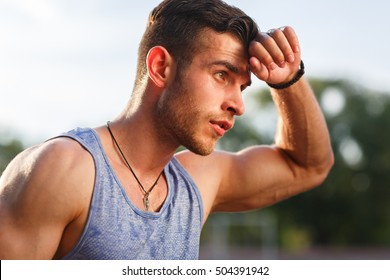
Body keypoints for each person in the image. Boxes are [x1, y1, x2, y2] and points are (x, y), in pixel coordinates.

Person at [0, 0, 333, 260]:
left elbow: (308, 166)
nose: (238, 104)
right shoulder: (64, 169)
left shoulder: (197, 180)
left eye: (242, 87)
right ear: (160, 67)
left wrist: (288, 81)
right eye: (221, 76)